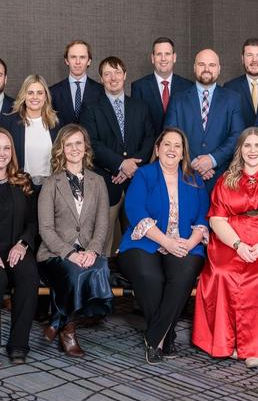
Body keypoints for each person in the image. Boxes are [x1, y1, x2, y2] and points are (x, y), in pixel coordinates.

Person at [192, 127, 258, 368]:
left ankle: (256, 347)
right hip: (231, 239)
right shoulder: (225, 179)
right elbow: (216, 219)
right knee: (222, 273)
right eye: (247, 145)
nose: (252, 151)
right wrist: (238, 245)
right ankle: (227, 342)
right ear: (239, 150)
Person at [117, 128, 209, 364]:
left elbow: (202, 218)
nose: (171, 149)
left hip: (185, 242)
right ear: (157, 150)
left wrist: (189, 243)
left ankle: (155, 335)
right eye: (166, 144)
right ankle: (166, 335)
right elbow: (136, 212)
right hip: (145, 240)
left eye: (177, 146)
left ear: (183, 153)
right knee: (150, 276)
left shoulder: (194, 179)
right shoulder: (145, 175)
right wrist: (166, 241)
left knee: (184, 273)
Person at [37, 124, 113, 357]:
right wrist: (70, 253)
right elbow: (46, 229)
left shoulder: (98, 182)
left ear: (85, 147)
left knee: (100, 266)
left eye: (78, 143)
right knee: (74, 272)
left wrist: (92, 251)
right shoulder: (51, 183)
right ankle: (68, 330)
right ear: (61, 149)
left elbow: (102, 224)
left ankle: (57, 321)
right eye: (68, 144)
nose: (74, 148)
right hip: (55, 253)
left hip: (89, 249)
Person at [80, 56, 155, 255]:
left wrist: (131, 167)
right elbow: (91, 143)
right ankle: (103, 280)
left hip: (136, 181)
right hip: (106, 180)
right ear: (101, 78)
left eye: (117, 72)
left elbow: (149, 139)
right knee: (103, 241)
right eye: (107, 74)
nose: (113, 78)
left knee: (138, 238)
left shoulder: (140, 107)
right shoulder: (90, 108)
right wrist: (121, 164)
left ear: (125, 75)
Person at [165, 48, 244, 192]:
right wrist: (196, 163)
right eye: (201, 64)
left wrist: (212, 160)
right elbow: (170, 135)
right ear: (194, 68)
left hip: (222, 178)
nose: (206, 69)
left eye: (212, 65)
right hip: (186, 176)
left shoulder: (233, 99)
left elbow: (237, 136)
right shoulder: (178, 99)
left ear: (219, 69)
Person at [0, 128, 39, 364]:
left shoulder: (22, 181)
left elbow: (33, 221)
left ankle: (18, 344)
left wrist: (23, 243)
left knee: (28, 275)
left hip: (16, 248)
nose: (1, 153)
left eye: (6, 148)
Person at [4, 74, 61, 189]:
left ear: (45, 97)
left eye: (40, 93)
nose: (35, 97)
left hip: (51, 186)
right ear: (24, 96)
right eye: (30, 93)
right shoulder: (10, 122)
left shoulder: (56, 123)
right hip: (21, 186)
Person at [131, 37, 193, 137]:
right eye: (159, 54)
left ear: (174, 57)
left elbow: (190, 123)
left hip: (179, 149)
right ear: (152, 58)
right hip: (150, 150)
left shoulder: (188, 87)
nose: (163, 58)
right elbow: (137, 126)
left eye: (167, 54)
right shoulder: (139, 87)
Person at [224, 38, 258, 127]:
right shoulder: (230, 88)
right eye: (249, 55)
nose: (254, 60)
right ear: (242, 59)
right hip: (241, 140)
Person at [49, 40, 104, 124]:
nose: (77, 62)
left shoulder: (101, 91)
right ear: (67, 61)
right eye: (73, 57)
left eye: (82, 57)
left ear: (89, 61)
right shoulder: (53, 92)